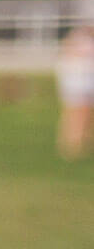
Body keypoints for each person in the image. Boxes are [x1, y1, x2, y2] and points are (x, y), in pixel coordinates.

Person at [56, 25, 94, 160]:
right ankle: (72, 145)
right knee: (75, 113)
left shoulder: (87, 40)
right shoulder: (77, 39)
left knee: (85, 113)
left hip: (84, 81)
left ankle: (81, 142)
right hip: (77, 81)